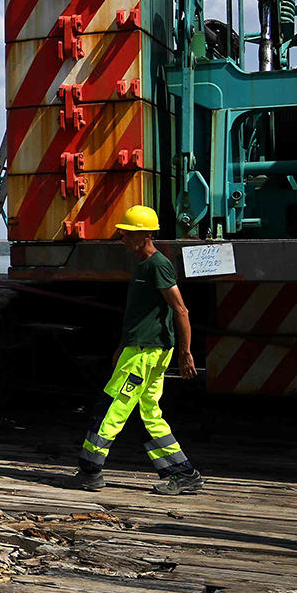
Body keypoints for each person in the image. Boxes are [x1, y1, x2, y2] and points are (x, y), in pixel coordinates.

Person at [69, 205, 205, 495]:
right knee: (148, 413)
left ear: (145, 235)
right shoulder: (144, 265)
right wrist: (122, 345)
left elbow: (181, 310)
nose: (122, 239)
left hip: (146, 352)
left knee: (111, 409)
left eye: (128, 234)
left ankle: (89, 471)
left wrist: (186, 353)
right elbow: (139, 314)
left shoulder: (158, 265)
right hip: (140, 348)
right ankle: (183, 474)